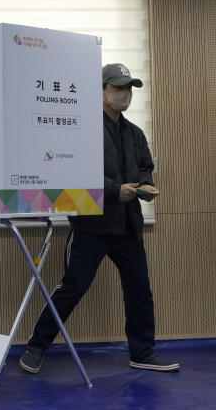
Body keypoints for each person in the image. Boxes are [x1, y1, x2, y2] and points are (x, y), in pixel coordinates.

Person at [19, 63, 179, 374]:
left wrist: (144, 186)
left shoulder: (135, 133)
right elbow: (74, 173)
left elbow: (145, 167)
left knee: (139, 289)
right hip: (91, 225)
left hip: (128, 225)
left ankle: (142, 352)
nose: (126, 94)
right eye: (119, 88)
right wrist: (113, 191)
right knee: (73, 287)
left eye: (129, 88)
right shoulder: (81, 131)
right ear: (102, 91)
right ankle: (36, 346)